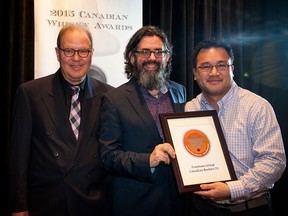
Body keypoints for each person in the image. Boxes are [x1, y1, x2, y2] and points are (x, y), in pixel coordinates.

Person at [8, 24, 113, 216]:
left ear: (91, 54)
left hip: (94, 203)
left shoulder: (109, 95)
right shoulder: (30, 94)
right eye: (69, 50)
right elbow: (19, 156)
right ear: (57, 53)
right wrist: (19, 206)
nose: (76, 58)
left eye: (83, 51)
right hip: (47, 203)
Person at [185, 39, 286, 216]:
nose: (214, 72)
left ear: (232, 69)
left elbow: (274, 162)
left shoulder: (257, 107)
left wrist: (232, 189)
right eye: (206, 66)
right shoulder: (190, 108)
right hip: (203, 209)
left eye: (221, 65)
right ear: (195, 73)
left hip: (249, 209)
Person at [99, 25, 188, 216]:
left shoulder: (180, 91)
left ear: (167, 57)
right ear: (132, 57)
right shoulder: (114, 99)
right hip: (137, 204)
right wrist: (148, 160)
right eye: (145, 52)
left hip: (178, 201)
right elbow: (108, 156)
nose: (152, 58)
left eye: (159, 52)